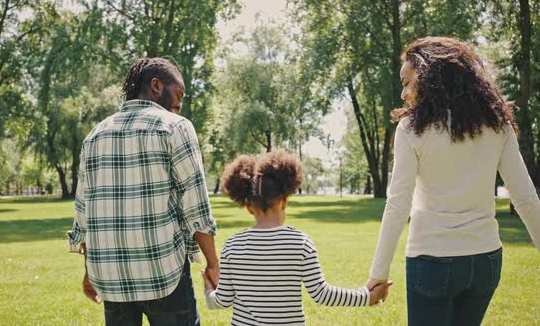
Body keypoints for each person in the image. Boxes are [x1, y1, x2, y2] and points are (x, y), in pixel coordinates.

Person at [367, 37, 540, 326]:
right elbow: (525, 198)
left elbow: (399, 204)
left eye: (408, 82)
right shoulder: (498, 124)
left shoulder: (411, 129)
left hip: (432, 262)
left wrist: (378, 273)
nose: (403, 92)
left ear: (429, 78)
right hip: (485, 263)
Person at [67, 57, 218, 326]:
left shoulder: (95, 135)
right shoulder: (176, 126)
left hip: (112, 278)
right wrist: (212, 262)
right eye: (179, 93)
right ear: (157, 86)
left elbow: (85, 213)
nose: (180, 103)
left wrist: (90, 271)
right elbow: (196, 206)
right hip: (164, 272)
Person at [203, 149, 392, 325]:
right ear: (284, 201)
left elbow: (222, 301)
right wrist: (366, 296)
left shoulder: (232, 246)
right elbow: (322, 294)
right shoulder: (300, 243)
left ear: (249, 207)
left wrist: (209, 288)